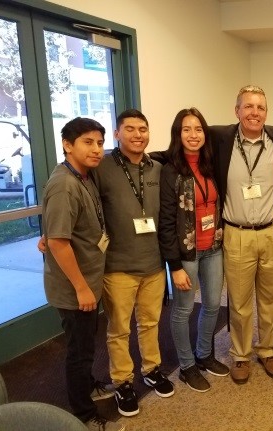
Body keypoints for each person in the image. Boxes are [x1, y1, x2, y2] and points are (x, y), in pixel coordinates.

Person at [42, 117, 124, 431]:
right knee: (79, 351)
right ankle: (83, 415)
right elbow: (59, 243)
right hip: (75, 288)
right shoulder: (64, 184)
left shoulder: (82, 176)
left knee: (86, 345)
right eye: (88, 142)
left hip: (87, 278)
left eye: (100, 143)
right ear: (67, 144)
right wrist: (81, 288)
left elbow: (59, 231)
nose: (96, 149)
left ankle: (88, 385)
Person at [210, 85, 273, 384]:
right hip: (238, 233)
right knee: (240, 299)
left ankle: (268, 350)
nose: (254, 112)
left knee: (272, 297)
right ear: (237, 111)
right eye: (248, 107)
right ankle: (241, 356)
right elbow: (184, 146)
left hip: (272, 231)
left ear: (266, 113)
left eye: (260, 107)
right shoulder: (220, 140)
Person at [93, 109, 174, 418]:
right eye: (130, 129)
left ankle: (151, 368)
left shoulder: (157, 168)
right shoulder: (101, 168)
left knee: (151, 322)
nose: (138, 134)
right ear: (117, 134)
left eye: (143, 129)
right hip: (118, 266)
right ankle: (123, 382)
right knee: (118, 330)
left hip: (153, 264)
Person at [158, 108, 229, 392]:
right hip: (186, 254)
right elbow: (166, 221)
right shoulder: (170, 170)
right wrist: (173, 266)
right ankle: (186, 365)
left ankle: (204, 355)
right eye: (186, 129)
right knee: (183, 309)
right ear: (178, 134)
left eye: (198, 129)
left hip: (213, 247)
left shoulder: (212, 164)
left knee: (212, 305)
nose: (193, 135)